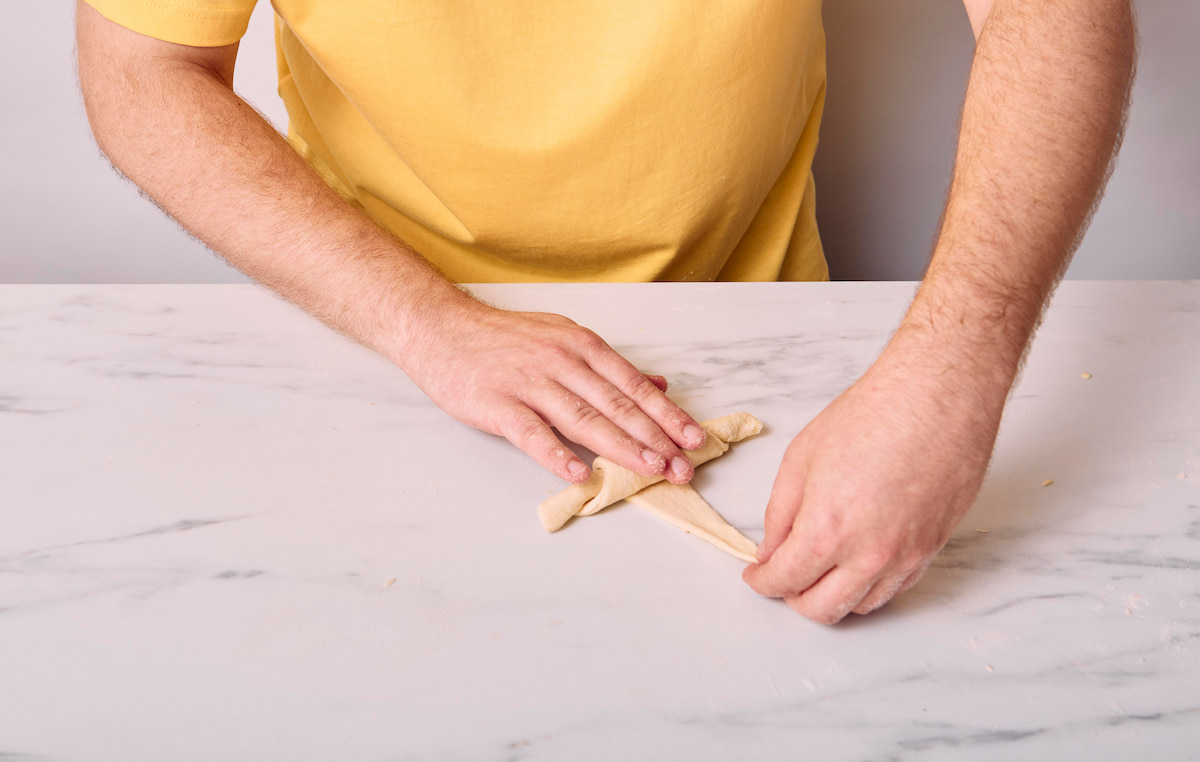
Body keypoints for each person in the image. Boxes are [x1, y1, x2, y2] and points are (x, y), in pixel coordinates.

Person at [75, 0, 1136, 624]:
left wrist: (950, 375)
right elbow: (144, 70)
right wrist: (424, 323)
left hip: (768, 349)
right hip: (374, 339)